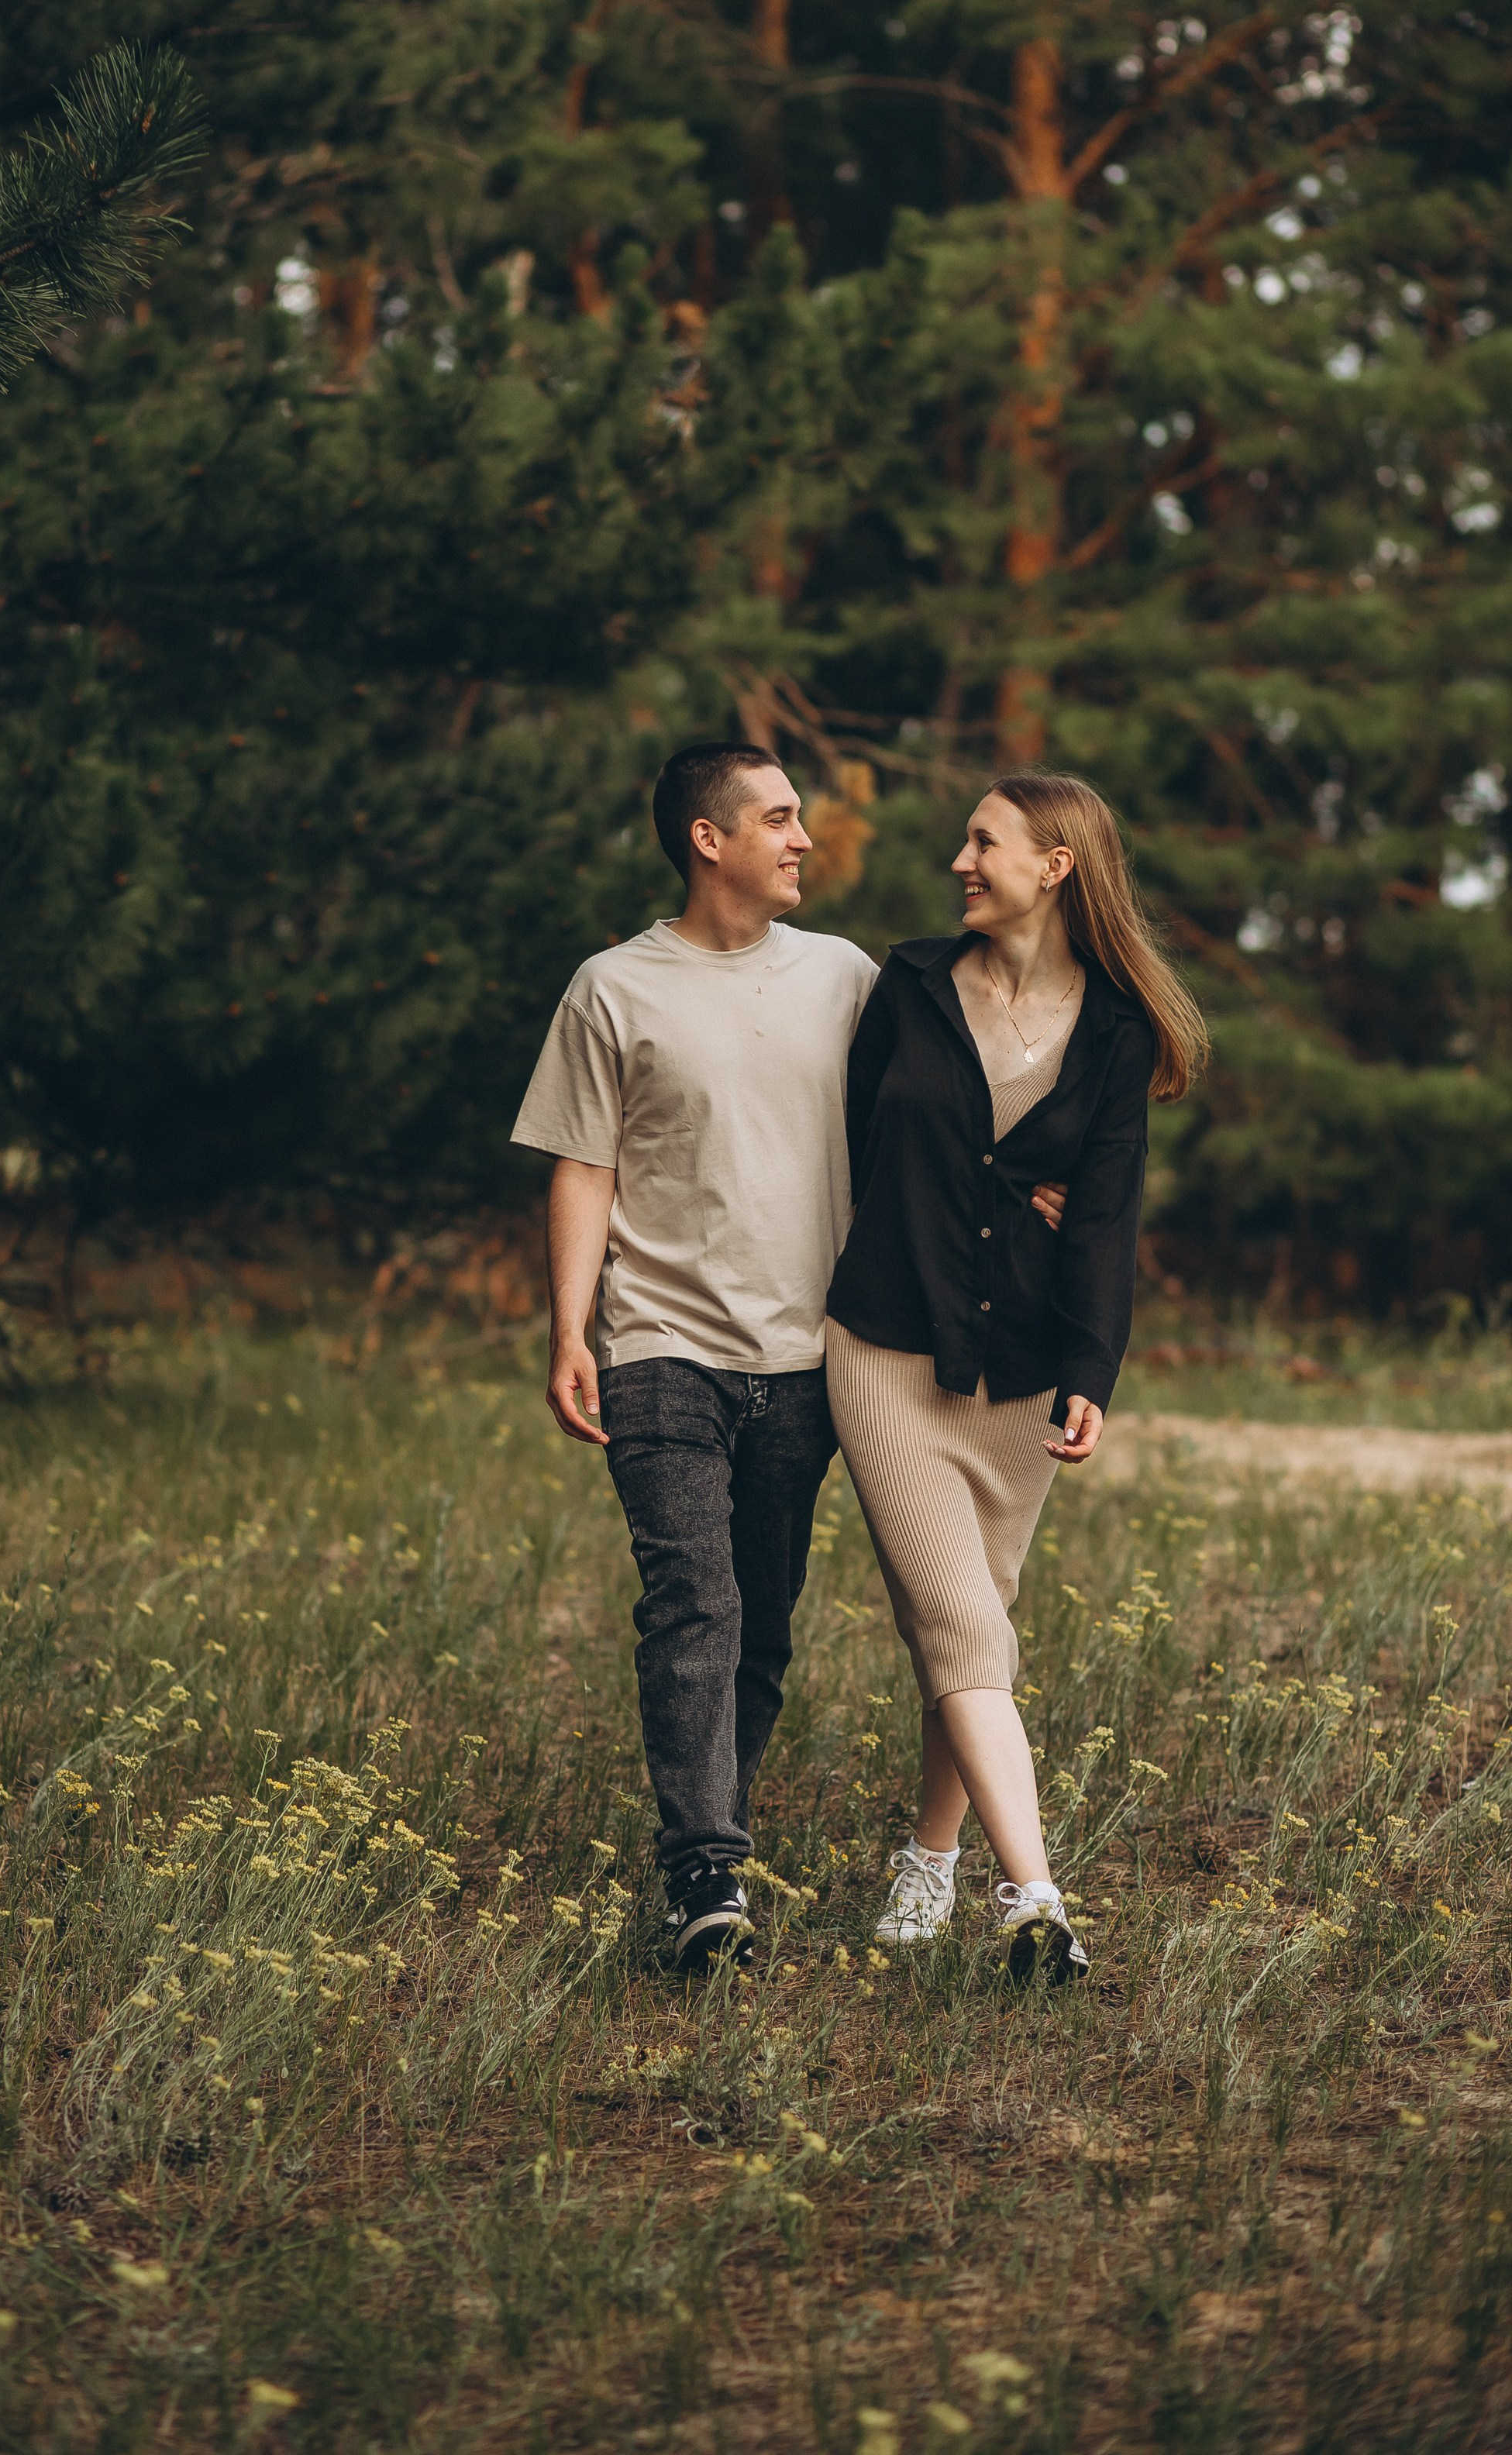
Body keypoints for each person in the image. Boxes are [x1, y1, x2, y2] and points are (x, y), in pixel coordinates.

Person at [511, 741, 1071, 1972]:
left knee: (761, 1620)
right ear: (710, 840)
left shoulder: (847, 978)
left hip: (816, 1355)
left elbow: (937, 1114)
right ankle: (706, 1874)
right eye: (778, 819)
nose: (804, 838)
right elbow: (584, 1164)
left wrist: (1027, 1186)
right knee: (692, 1601)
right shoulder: (613, 987)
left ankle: (720, 1821)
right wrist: (570, 1329)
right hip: (661, 1344)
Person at [825, 770, 1208, 1983]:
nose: (958, 861)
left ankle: (927, 1859)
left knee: (972, 1626)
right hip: (885, 1347)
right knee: (957, 1619)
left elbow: (1104, 1213)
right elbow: (857, 1145)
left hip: (1026, 1370)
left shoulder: (1115, 1031)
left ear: (1056, 866)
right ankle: (1033, 1898)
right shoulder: (911, 987)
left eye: (982, 843)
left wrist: (1094, 1365)